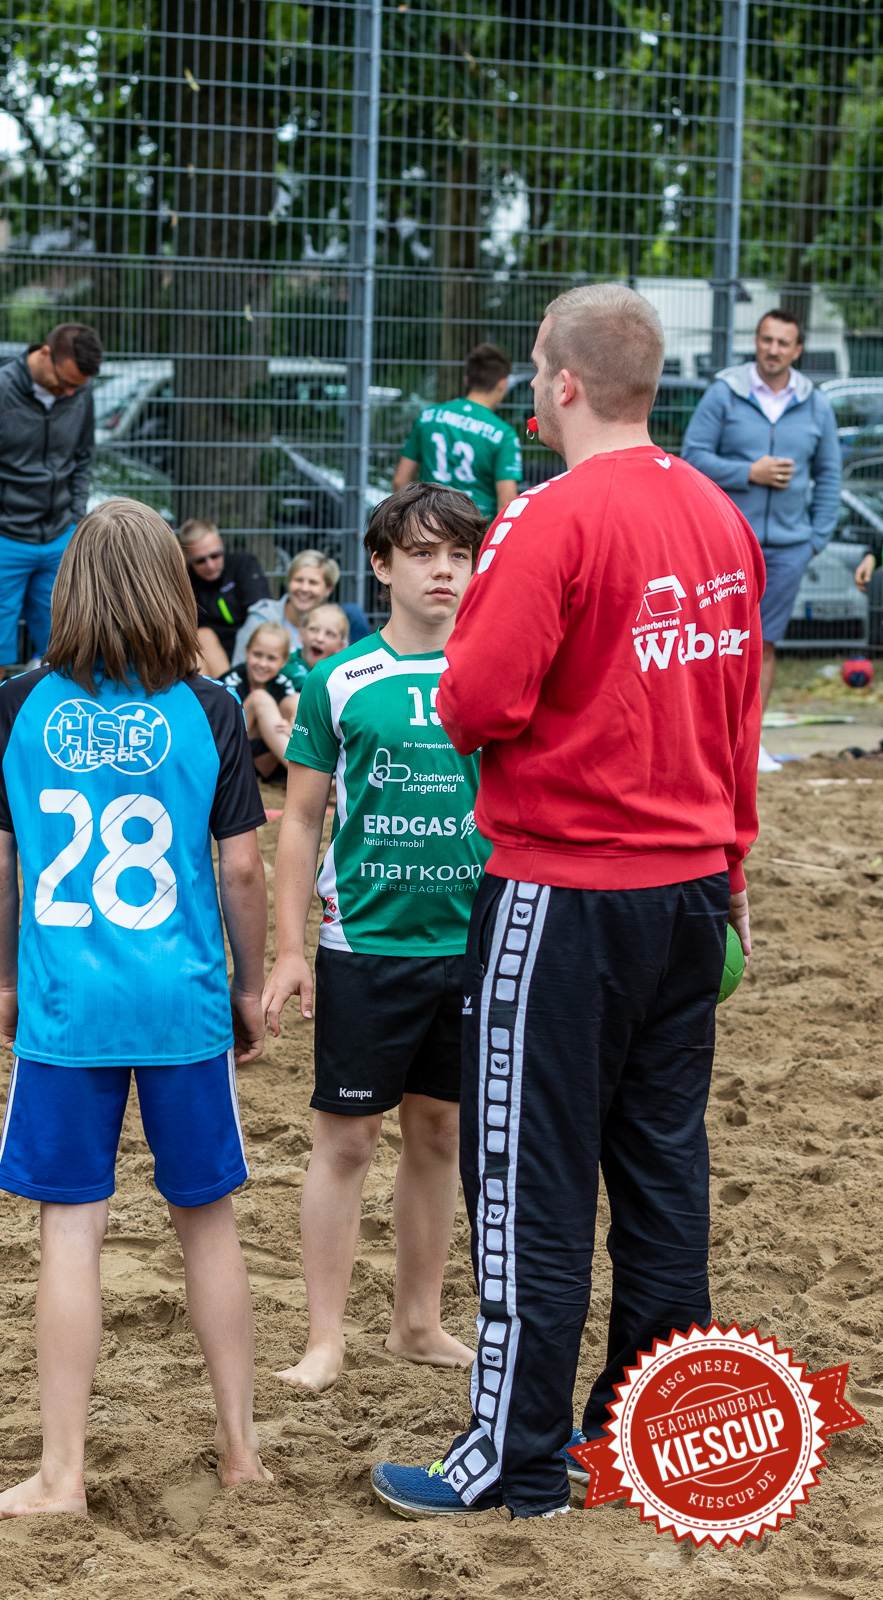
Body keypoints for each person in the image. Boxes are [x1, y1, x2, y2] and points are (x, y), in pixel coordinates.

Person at [371, 284, 763, 1522]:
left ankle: (517, 1456)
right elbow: (738, 715)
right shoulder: (718, 514)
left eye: (537, 364)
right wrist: (733, 877)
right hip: (693, 886)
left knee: (527, 1172)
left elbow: (472, 700)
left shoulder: (545, 517)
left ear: (561, 385)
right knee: (658, 1169)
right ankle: (645, 1432)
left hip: (566, 887)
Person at [0, 498, 271, 1519]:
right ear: (172, 588)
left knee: (70, 1231)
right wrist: (244, 984)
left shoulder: (17, 706)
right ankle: (238, 1450)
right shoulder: (211, 709)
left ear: (70, 587)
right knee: (208, 1222)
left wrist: (7, 982)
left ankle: (61, 1470)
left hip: (67, 1006)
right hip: (179, 1002)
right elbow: (240, 873)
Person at [262, 483, 490, 1393]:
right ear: (382, 566)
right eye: (424, 554)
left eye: (460, 554)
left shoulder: (497, 669)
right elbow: (298, 822)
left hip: (473, 943)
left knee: (437, 1131)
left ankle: (417, 1323)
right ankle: (324, 1338)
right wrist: (288, 949)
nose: (444, 570)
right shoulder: (338, 678)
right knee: (346, 1140)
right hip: (365, 946)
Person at [0, 323, 104, 771]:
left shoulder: (79, 393)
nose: (70, 393)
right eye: (65, 383)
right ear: (45, 353)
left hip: (57, 539)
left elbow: (83, 457)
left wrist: (74, 514)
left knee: (71, 657)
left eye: (78, 387)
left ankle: (63, 767)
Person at [682, 309, 841, 774]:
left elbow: (830, 475)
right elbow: (692, 457)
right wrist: (747, 473)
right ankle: (708, 743)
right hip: (727, 542)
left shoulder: (817, 406)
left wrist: (815, 538)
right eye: (766, 339)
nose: (773, 349)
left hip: (789, 549)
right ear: (756, 342)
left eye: (783, 343)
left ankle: (750, 746)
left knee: (764, 645)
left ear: (797, 350)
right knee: (713, 642)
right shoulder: (723, 395)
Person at [392, 343, 523, 521]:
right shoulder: (503, 434)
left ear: (466, 379)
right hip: (475, 530)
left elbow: (400, 481)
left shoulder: (428, 417)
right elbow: (506, 502)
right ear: (503, 384)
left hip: (432, 524)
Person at [233, 549, 370, 662]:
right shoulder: (262, 618)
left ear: (328, 589)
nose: (304, 588)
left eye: (313, 583)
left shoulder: (334, 624)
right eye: (298, 580)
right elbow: (239, 669)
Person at [179, 519, 271, 678]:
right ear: (187, 557)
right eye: (200, 560)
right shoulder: (184, 582)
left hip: (249, 650)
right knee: (202, 636)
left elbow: (260, 613)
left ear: (220, 544)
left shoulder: (243, 565)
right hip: (207, 654)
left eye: (215, 555)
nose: (210, 565)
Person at [221, 622, 299, 777]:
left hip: (266, 758)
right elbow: (221, 730)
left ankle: (311, 769)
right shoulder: (231, 681)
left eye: (271, 658)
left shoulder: (282, 683)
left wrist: (294, 725)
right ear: (247, 652)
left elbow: (293, 706)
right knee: (259, 698)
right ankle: (303, 775)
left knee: (296, 699)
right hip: (232, 753)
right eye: (257, 654)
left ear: (283, 661)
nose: (263, 663)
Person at [283, 602, 350, 690]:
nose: (319, 638)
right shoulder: (285, 662)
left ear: (341, 647)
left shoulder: (343, 675)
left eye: (330, 634)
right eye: (313, 629)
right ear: (301, 634)